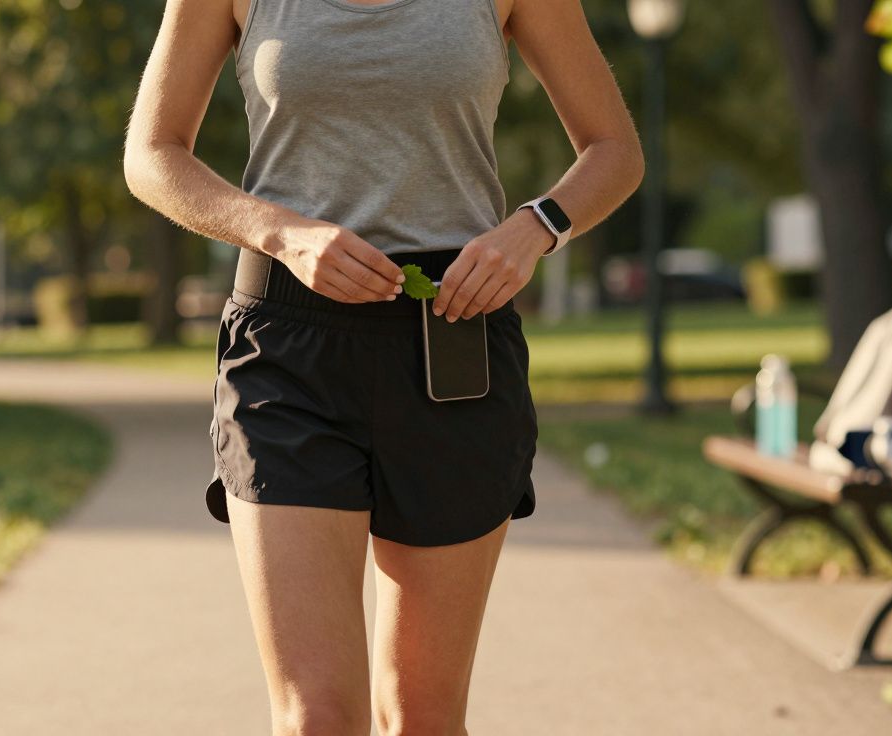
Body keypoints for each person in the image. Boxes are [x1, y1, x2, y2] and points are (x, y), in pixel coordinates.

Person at [124, 0, 643, 732]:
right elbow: (151, 154)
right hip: (287, 349)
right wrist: (278, 229)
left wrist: (535, 230)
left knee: (423, 717)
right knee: (316, 718)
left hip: (455, 344)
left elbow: (614, 148)